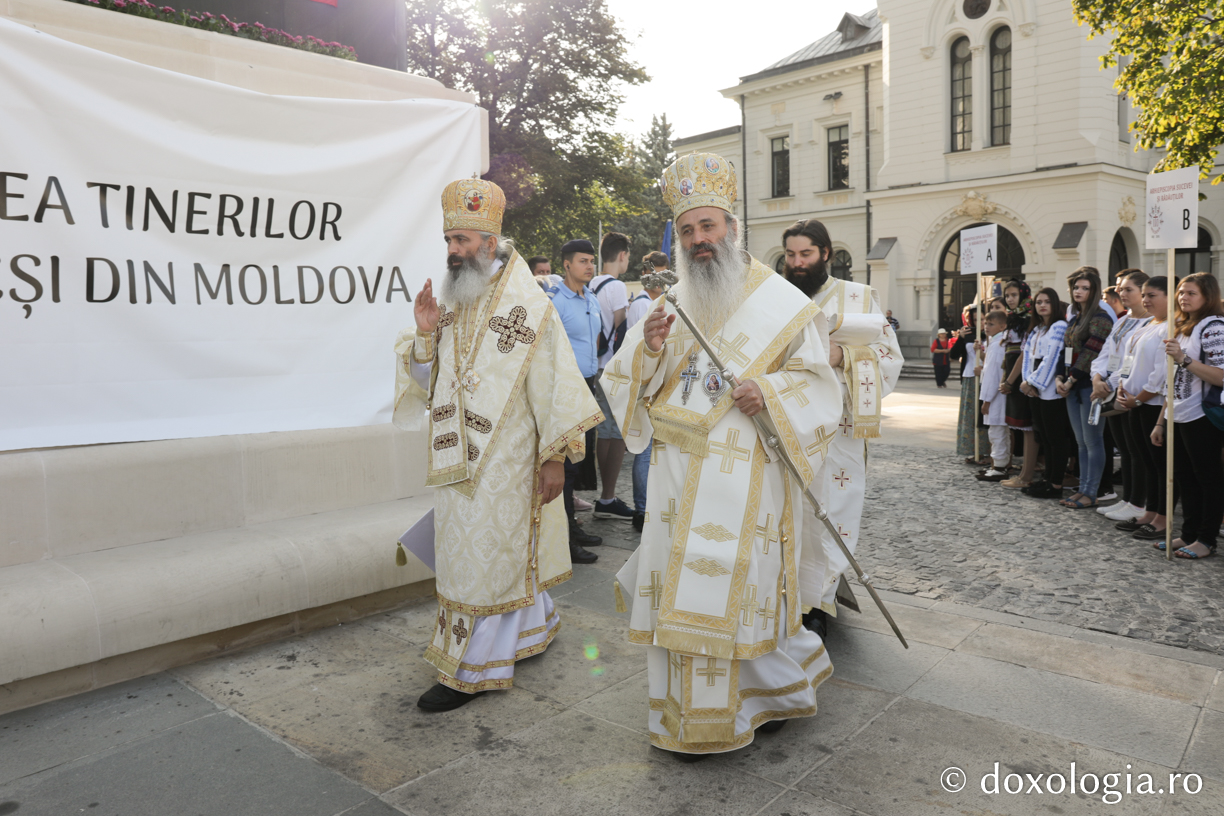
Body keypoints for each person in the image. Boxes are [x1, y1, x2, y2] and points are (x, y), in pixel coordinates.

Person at [601, 152, 843, 758]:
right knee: (680, 590)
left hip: (749, 473)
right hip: (677, 476)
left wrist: (771, 390)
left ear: (731, 228)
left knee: (744, 592)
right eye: (687, 231)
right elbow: (624, 379)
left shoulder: (781, 302)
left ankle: (765, 696)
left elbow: (820, 386)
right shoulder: (669, 304)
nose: (698, 240)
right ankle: (684, 715)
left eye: (707, 227)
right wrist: (650, 352)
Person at [393, 178, 602, 711]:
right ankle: (529, 630)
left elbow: (555, 383)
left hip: (508, 458)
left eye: (463, 240)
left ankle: (471, 669)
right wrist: (423, 335)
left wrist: (555, 458)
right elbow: (427, 376)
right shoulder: (454, 298)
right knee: (480, 555)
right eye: (450, 241)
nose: (454, 251)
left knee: (487, 561)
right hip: (454, 455)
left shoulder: (529, 306)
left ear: (490, 241)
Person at [778, 217, 902, 637]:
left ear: (825, 254)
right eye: (791, 255)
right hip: (786, 425)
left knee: (829, 515)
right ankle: (784, 592)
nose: (797, 263)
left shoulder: (859, 297)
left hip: (838, 434)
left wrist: (843, 357)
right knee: (787, 515)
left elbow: (889, 361)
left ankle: (819, 601)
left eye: (806, 254)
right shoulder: (775, 299)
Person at [1154, 272, 1224, 559]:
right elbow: (1172, 380)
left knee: (1207, 478)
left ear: (1207, 296)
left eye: (1191, 292)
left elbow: (1221, 376)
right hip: (1177, 414)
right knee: (1185, 477)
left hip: (1201, 414)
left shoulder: (1214, 327)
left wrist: (1184, 358)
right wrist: (1162, 419)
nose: (1183, 297)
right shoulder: (1182, 327)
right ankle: (1190, 532)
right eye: (1181, 292)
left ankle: (1207, 540)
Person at [550, 238, 608, 561]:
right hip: (564, 388)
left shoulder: (592, 298)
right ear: (567, 265)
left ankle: (573, 526)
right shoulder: (556, 302)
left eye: (591, 261)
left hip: (588, 383)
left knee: (581, 461)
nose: (589, 266)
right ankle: (564, 539)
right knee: (567, 466)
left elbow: (596, 341)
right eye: (583, 261)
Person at [1116, 277, 1176, 541]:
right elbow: (1129, 360)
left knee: (1161, 465)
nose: (1146, 300)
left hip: (1151, 404)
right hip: (1134, 401)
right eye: (1145, 295)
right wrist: (1121, 384)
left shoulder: (1169, 328)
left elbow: (1161, 372)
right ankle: (1151, 512)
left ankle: (1163, 518)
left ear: (1168, 296)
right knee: (1147, 462)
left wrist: (1139, 398)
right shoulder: (1148, 324)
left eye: (1152, 295)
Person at [1092, 270, 1151, 521]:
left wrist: (1109, 381)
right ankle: (1127, 498)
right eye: (1120, 289)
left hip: (1130, 391)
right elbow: (1107, 352)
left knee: (1136, 450)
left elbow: (1134, 361)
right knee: (1125, 450)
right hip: (1110, 388)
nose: (1122, 294)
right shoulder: (1123, 320)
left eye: (1128, 289)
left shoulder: (1149, 323)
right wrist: (1097, 377)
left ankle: (1138, 502)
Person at [1056, 267, 1115, 509]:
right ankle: (1082, 489)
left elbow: (1092, 352)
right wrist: (1060, 376)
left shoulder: (1101, 317)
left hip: (1089, 386)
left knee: (1093, 441)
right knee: (1081, 442)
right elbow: (1066, 350)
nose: (1078, 291)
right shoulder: (1074, 318)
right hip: (1072, 386)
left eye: (1085, 288)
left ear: (1094, 291)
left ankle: (1091, 492)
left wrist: (1070, 379)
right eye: (1076, 287)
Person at [588, 233, 635, 521]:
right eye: (627, 256)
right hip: (611, 366)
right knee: (616, 433)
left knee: (603, 432)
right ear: (621, 255)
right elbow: (621, 331)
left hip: (593, 366)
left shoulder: (591, 282)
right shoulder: (616, 286)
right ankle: (607, 498)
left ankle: (605, 496)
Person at [625, 261, 673, 532]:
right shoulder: (649, 306)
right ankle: (643, 509)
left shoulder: (641, 303)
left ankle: (644, 508)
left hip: (645, 376)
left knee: (644, 447)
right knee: (644, 449)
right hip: (650, 379)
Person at [1020, 288, 1072, 499]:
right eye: (1039, 302)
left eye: (1047, 302)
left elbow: (1052, 357)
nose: (1042, 305)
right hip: (1035, 386)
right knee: (1045, 438)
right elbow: (1027, 357)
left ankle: (1056, 483)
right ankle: (1047, 479)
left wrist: (1033, 381)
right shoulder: (1037, 329)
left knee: (1056, 438)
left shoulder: (1059, 326)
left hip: (1050, 387)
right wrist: (1026, 382)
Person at [999, 280, 1038, 489]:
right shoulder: (1014, 318)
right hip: (1013, 375)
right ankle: (1024, 472)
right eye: (1008, 295)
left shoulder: (1029, 319)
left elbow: (1024, 354)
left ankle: (1027, 475)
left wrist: (1009, 380)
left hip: (1023, 377)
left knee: (1028, 427)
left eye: (1014, 295)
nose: (1010, 299)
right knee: (1021, 427)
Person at [952, 307, 991, 465]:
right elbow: (954, 355)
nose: (980, 323)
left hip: (985, 377)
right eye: (976, 320)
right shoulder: (968, 335)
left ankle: (987, 452)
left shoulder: (991, 334)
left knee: (983, 415)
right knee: (970, 416)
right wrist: (961, 338)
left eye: (982, 319)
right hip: (969, 377)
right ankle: (973, 450)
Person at [977, 310, 1011, 480]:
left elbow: (992, 375)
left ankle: (999, 466)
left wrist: (986, 400)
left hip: (996, 397)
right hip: (998, 395)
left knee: (996, 432)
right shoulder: (996, 343)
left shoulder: (998, 346)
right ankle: (1000, 464)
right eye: (986, 323)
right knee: (1000, 432)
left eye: (991, 324)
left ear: (1002, 326)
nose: (986, 327)